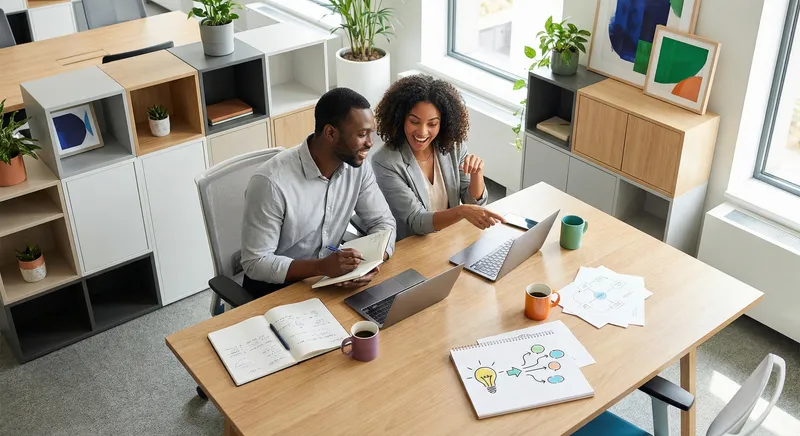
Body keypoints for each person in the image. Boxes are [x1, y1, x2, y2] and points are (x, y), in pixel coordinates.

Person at [240, 88, 397, 298]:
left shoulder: (358, 167)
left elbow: (383, 222)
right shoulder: (271, 184)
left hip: (330, 281)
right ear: (331, 133)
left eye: (371, 133)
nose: (370, 143)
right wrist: (322, 267)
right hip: (275, 289)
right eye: (361, 134)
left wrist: (371, 262)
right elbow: (255, 263)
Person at [371, 74, 505, 240]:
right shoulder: (385, 161)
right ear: (400, 119)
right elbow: (417, 221)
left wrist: (477, 174)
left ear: (443, 123)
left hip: (450, 239)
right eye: (414, 122)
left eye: (432, 124)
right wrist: (461, 211)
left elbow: (475, 204)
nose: (422, 132)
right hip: (412, 247)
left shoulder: (453, 146)